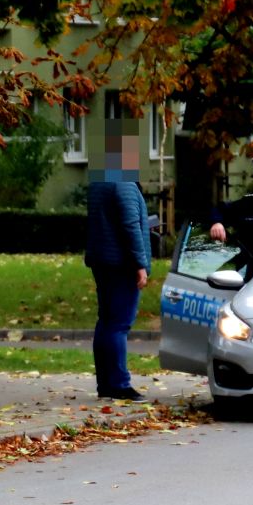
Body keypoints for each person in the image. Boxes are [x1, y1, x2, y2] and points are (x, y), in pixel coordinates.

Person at [84, 124, 152, 402]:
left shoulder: (99, 183)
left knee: (106, 322)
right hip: (122, 263)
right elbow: (129, 225)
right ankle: (120, 384)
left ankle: (105, 383)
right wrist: (140, 263)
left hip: (102, 261)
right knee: (119, 325)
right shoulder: (123, 184)